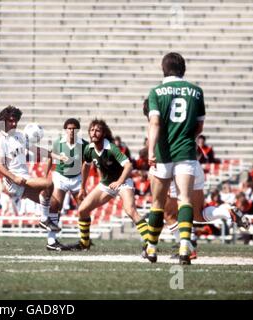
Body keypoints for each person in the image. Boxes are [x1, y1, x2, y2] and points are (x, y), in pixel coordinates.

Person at [146, 52, 206, 265]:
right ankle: (184, 247)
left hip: (163, 153)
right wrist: (185, 136)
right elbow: (199, 127)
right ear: (183, 69)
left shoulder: (156, 91)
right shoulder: (196, 92)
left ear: (163, 69)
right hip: (186, 152)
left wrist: (150, 150)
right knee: (185, 200)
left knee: (158, 203)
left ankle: (152, 248)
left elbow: (155, 123)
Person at [66, 119, 149, 251]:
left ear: (103, 133)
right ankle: (84, 243)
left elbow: (129, 165)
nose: (94, 132)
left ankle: (150, 241)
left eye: (97, 130)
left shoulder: (111, 147)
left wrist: (120, 181)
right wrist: (82, 187)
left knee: (130, 210)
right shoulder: (89, 148)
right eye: (92, 130)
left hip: (123, 183)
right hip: (106, 185)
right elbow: (86, 166)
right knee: (82, 210)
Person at [0, 105, 65, 233]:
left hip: (25, 178)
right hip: (15, 182)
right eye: (10, 120)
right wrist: (14, 178)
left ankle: (52, 242)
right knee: (48, 183)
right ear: (3, 121)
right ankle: (43, 219)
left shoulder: (19, 135)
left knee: (55, 205)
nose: (14, 123)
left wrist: (55, 155)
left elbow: (34, 149)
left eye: (16, 120)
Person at [43, 118, 89, 251]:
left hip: (77, 178)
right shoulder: (59, 142)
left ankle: (84, 241)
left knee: (84, 208)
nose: (71, 131)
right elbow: (50, 158)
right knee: (55, 205)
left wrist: (83, 186)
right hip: (60, 177)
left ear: (78, 130)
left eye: (74, 129)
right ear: (65, 130)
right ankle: (51, 241)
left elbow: (87, 165)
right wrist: (45, 176)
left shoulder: (84, 145)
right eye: (69, 128)